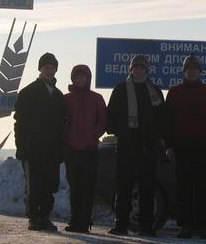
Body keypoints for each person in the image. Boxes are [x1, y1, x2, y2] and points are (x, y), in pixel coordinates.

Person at [106, 54, 166, 237]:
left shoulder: (154, 90)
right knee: (123, 187)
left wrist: (155, 137)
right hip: (126, 145)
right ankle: (121, 224)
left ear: (147, 70)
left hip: (147, 147)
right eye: (135, 67)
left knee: (147, 188)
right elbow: (111, 117)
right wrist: (122, 132)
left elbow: (162, 119)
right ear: (130, 69)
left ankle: (147, 226)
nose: (139, 70)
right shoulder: (120, 89)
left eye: (142, 67)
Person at [165, 54, 206, 239]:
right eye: (188, 69)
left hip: (204, 146)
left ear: (200, 71)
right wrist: (169, 146)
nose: (191, 72)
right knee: (184, 188)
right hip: (182, 146)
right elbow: (168, 122)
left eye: (195, 69)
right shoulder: (174, 92)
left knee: (204, 188)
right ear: (184, 71)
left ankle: (204, 227)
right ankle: (185, 226)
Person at [13, 52, 66, 232]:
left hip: (52, 149)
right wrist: (21, 146)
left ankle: (45, 216)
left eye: (52, 68)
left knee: (50, 185)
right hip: (33, 148)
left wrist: (61, 149)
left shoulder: (59, 96)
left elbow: (62, 126)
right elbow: (19, 122)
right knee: (35, 185)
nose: (49, 71)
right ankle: (34, 218)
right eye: (46, 68)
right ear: (40, 69)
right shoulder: (28, 92)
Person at [63, 64, 107, 234]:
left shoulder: (96, 98)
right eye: (77, 77)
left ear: (88, 79)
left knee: (88, 188)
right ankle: (74, 220)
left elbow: (103, 121)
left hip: (89, 150)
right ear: (73, 78)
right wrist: (65, 137)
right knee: (74, 187)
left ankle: (84, 221)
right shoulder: (66, 99)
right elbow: (62, 121)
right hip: (72, 149)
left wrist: (93, 134)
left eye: (84, 77)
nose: (80, 80)